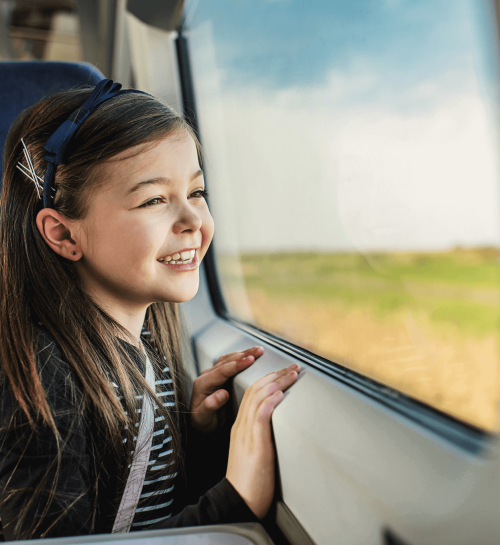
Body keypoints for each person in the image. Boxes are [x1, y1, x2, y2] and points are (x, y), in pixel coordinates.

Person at [0, 79, 299, 540]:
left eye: (196, 193)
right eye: (154, 200)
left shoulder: (146, 348)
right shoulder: (43, 380)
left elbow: (142, 516)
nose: (193, 221)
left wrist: (191, 436)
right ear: (63, 234)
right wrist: (232, 505)